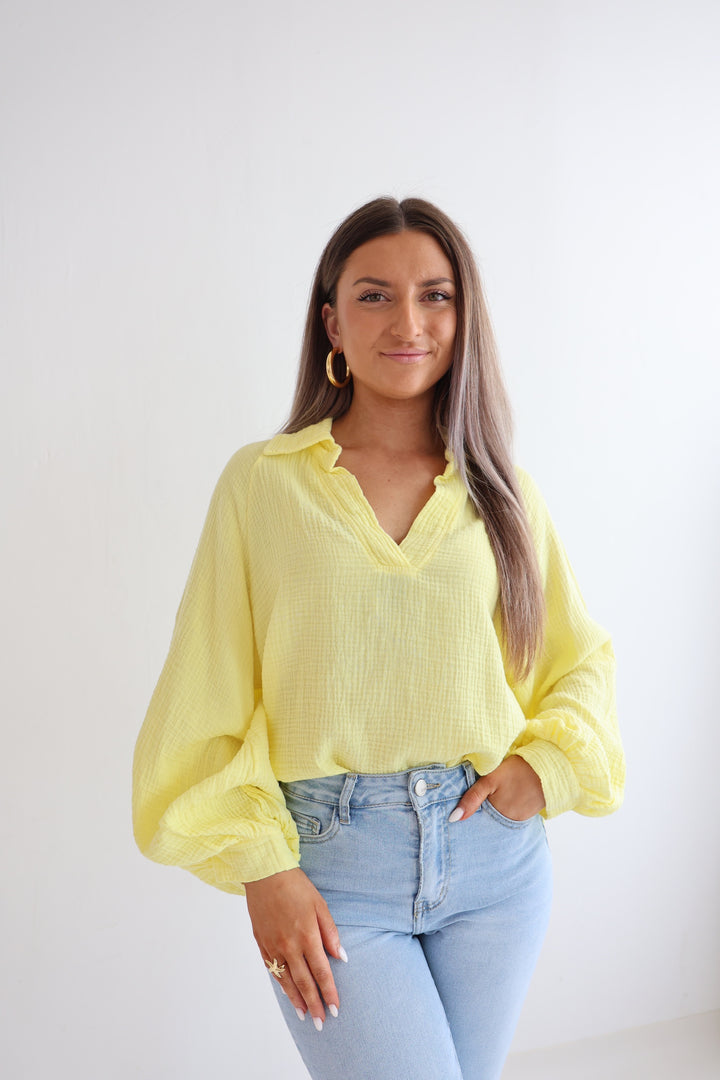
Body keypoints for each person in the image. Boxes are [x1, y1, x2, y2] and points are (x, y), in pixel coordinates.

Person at [132, 196, 625, 1080]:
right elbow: (204, 693)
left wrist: (544, 767)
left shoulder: (503, 490)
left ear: (464, 317)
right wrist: (264, 872)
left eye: (436, 295)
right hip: (332, 872)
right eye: (374, 296)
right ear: (331, 322)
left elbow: (579, 657)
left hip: (496, 867)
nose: (409, 322)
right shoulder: (263, 485)